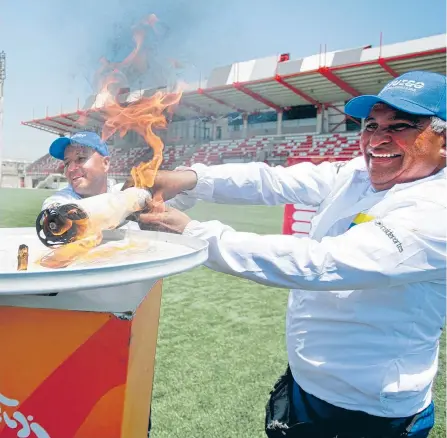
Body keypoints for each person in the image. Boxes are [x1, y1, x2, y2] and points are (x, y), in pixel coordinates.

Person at [137, 70, 446, 438]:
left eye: (400, 126)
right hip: (307, 383)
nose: (377, 139)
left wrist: (192, 233)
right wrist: (191, 178)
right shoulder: (359, 172)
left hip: (371, 411)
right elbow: (274, 180)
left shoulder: (435, 212)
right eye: (370, 125)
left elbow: (318, 264)